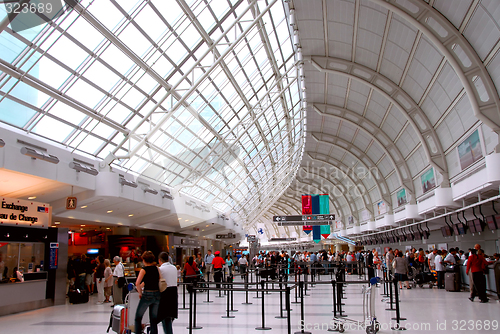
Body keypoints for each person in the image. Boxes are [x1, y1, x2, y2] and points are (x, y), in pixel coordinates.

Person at [135, 251, 161, 334]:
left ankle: (138, 332)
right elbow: (159, 279)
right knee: (153, 319)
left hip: (147, 294)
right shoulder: (157, 268)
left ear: (144, 260)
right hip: (157, 294)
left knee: (138, 317)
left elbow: (137, 283)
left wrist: (140, 293)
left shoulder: (144, 270)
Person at [158, 252, 178, 334]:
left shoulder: (160, 269)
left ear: (160, 260)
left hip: (165, 293)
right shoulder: (174, 268)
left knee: (165, 317)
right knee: (170, 317)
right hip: (174, 293)